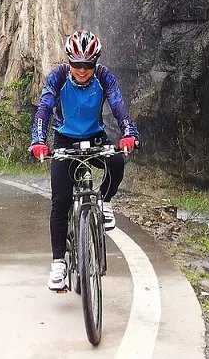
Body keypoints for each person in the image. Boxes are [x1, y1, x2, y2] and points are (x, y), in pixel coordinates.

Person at [30, 30, 139, 291]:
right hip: (64, 140)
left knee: (115, 161)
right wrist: (38, 140)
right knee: (61, 201)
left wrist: (129, 133)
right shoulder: (57, 77)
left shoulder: (104, 77)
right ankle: (58, 263)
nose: (82, 70)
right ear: (68, 61)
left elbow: (118, 105)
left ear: (96, 62)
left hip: (95, 135)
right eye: (76, 64)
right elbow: (44, 108)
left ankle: (105, 202)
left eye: (88, 65)